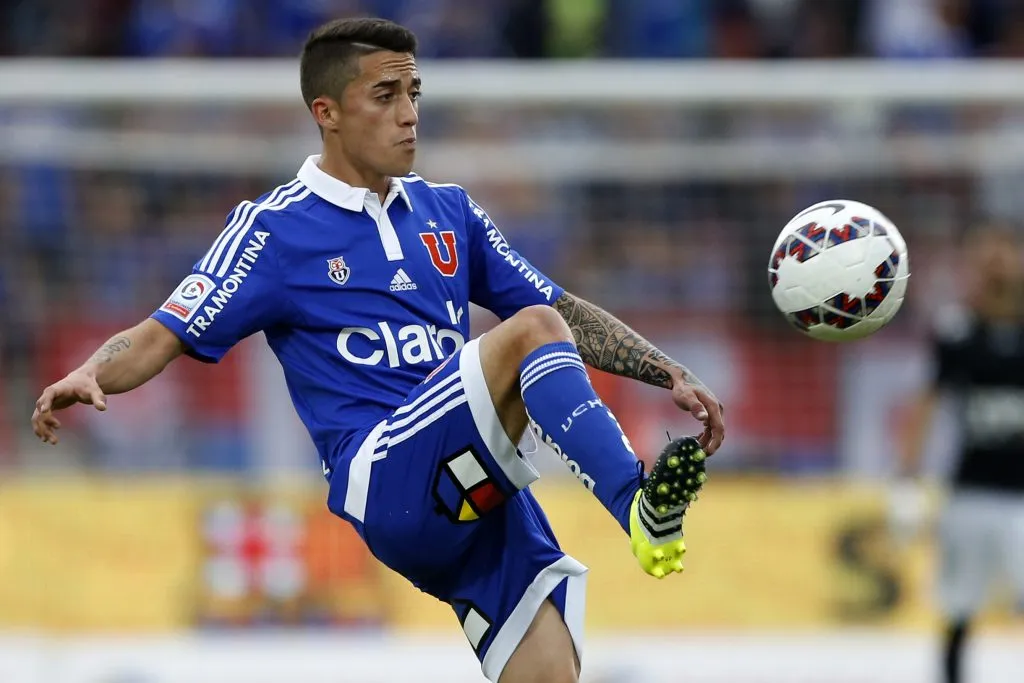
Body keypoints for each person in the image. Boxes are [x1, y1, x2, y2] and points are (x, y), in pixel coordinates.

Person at [31, 18, 725, 683]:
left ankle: (632, 513)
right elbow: (161, 333)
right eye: (385, 96)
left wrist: (668, 370)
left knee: (549, 670)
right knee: (532, 328)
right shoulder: (274, 231)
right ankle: (637, 503)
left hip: (471, 495)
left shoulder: (448, 211)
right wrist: (94, 369)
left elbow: (566, 307)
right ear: (327, 112)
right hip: (386, 475)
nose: (409, 115)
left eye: (414, 95)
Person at [896, 225, 1024, 683]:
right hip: (969, 493)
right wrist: (907, 480)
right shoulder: (957, 332)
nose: (997, 262)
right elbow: (926, 406)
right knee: (959, 607)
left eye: (1006, 250)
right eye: (985, 252)